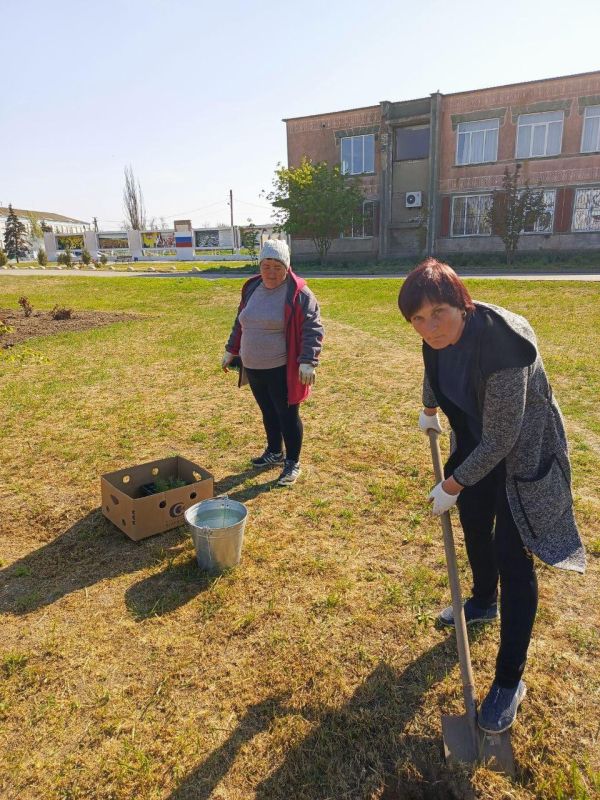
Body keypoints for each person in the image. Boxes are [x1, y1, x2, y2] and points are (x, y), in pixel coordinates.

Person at [398, 258, 585, 735]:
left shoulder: (505, 345)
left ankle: (508, 682)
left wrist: (451, 483)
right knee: (475, 526)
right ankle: (483, 602)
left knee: (512, 556)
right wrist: (428, 407)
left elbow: (502, 438)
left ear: (462, 302)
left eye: (438, 313)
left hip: (522, 455)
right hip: (473, 439)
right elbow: (433, 361)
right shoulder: (434, 337)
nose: (430, 327)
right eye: (418, 319)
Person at [221, 239, 324, 486]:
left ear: (287, 267)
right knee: (268, 412)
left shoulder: (298, 293)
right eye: (266, 265)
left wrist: (308, 360)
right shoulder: (251, 287)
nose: (271, 272)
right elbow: (241, 322)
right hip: (253, 366)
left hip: (281, 368)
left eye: (277, 266)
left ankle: (292, 462)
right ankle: (274, 453)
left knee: (287, 416)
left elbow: (313, 327)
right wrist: (231, 350)